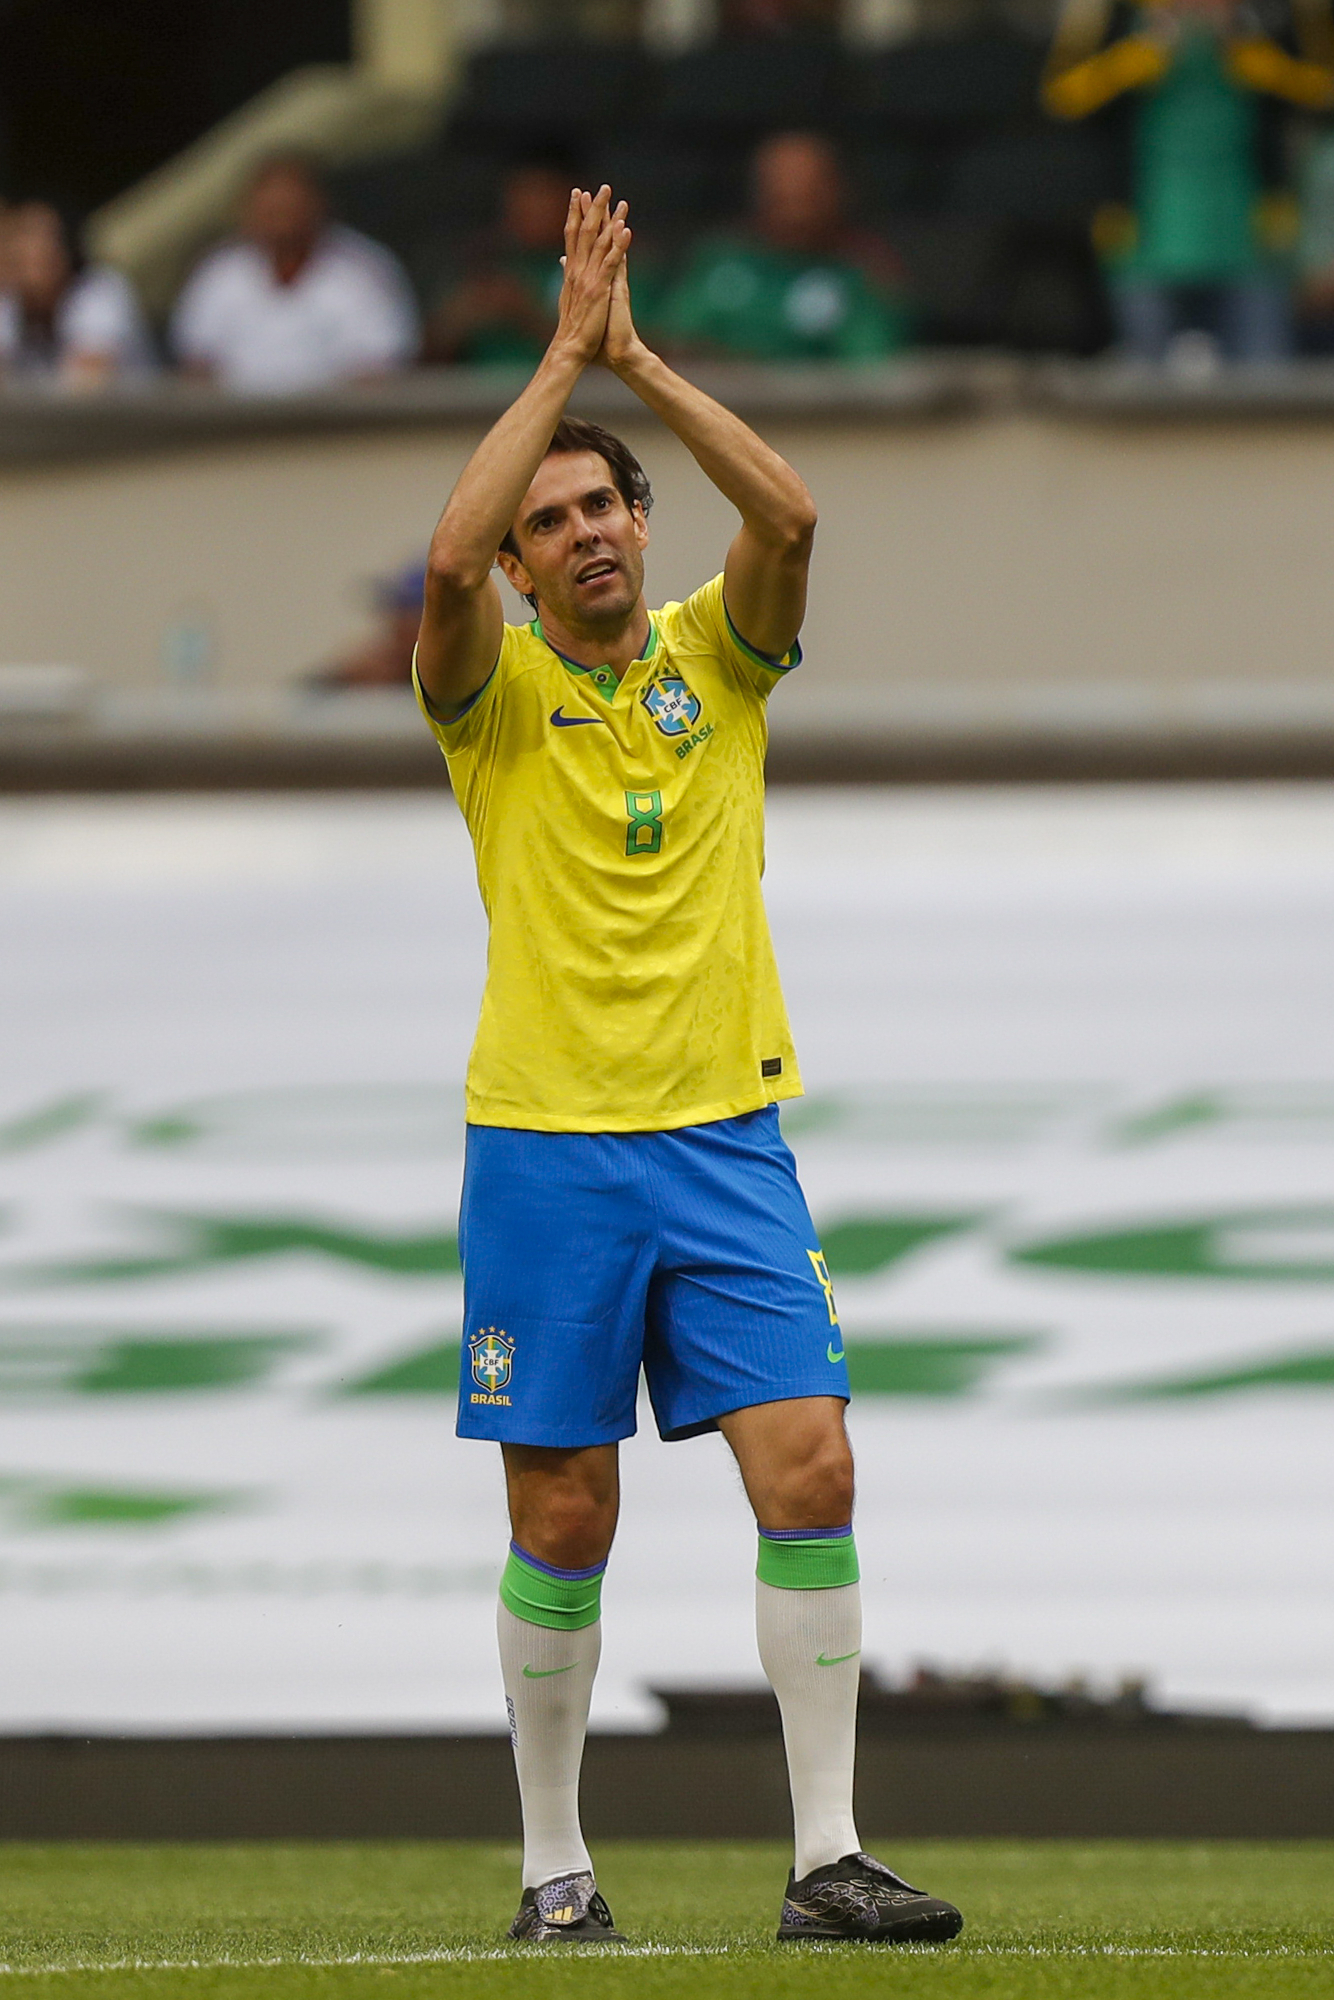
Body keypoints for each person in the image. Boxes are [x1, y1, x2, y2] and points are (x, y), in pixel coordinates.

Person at [412, 183, 963, 1948]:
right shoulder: (490, 693)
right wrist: (555, 360)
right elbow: (440, 569)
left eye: (603, 507)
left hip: (725, 1136)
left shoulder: (715, 660)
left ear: (642, 526)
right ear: (522, 566)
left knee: (813, 1470)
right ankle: (552, 1873)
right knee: (564, 1511)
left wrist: (632, 360)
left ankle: (826, 1861)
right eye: (550, 520)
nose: (582, 534)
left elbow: (789, 511)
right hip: (546, 1145)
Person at [1044, 0, 1334, 365]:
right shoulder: (1115, 16)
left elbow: (1321, 89)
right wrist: (1143, 53)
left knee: (1265, 371)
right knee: (1146, 376)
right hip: (1144, 238)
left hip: (1249, 237)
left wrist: (1245, 50)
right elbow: (1061, 99)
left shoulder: (1266, 18)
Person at [170, 154, 419, 393]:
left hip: (337, 418)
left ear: (318, 205)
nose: (280, 223)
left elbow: (381, 371)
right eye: (271, 212)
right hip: (235, 419)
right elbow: (196, 367)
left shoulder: (363, 269)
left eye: (289, 209)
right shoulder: (218, 272)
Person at [653, 132, 912, 362]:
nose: (792, 202)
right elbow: (673, 344)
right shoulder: (718, 260)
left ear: (837, 190)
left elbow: (868, 372)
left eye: (807, 189)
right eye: (779, 187)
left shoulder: (863, 274)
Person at [0, 202, 154, 384]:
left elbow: (87, 385)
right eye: (17, 255)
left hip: (133, 402)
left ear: (64, 254)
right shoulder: (10, 301)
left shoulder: (100, 291)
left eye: (36, 256)